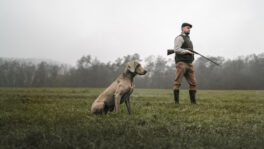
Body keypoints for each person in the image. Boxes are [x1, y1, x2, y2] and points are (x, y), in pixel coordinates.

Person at [173, 22, 197, 104]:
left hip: (189, 64)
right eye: (187, 28)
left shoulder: (189, 39)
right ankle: (176, 102)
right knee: (178, 82)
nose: (189, 29)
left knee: (193, 83)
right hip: (181, 63)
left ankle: (193, 102)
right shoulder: (179, 38)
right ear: (182, 28)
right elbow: (176, 49)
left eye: (189, 28)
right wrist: (187, 51)